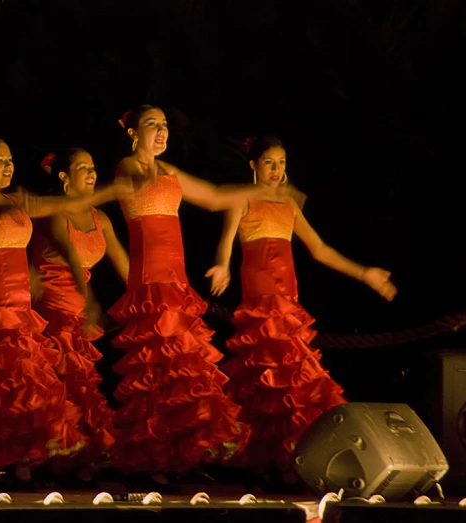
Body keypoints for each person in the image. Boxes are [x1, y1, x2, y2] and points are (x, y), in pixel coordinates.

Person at [107, 104, 296, 475]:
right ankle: (152, 458)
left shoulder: (168, 170)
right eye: (151, 126)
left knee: (181, 371)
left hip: (175, 282)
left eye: (164, 126)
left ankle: (176, 456)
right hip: (149, 283)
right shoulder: (128, 167)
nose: (161, 132)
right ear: (132, 133)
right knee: (156, 371)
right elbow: (142, 184)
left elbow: (211, 197)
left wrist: (262, 188)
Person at [205, 134, 397, 475]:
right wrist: (221, 266)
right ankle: (270, 461)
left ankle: (287, 459)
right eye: (269, 162)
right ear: (253, 165)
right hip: (261, 299)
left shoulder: (289, 205)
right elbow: (226, 244)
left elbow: (320, 250)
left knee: (292, 379)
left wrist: (364, 273)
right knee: (268, 377)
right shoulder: (242, 200)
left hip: (288, 300)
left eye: (281, 163)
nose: (277, 170)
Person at [0, 136, 126, 481]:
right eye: (0, 161)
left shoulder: (14, 202)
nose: (9, 166)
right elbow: (8, 214)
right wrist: (28, 205)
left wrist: (106, 195)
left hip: (21, 306)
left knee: (25, 388)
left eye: (11, 160)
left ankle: (21, 459)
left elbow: (41, 212)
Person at [30, 147, 130, 477]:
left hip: (79, 302)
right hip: (54, 301)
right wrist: (90, 303)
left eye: (92, 167)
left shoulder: (100, 218)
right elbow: (72, 257)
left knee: (82, 381)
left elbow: (123, 263)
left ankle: (79, 455)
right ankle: (53, 455)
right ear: (64, 177)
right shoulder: (55, 213)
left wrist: (146, 296)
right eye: (82, 167)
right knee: (59, 378)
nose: (91, 172)